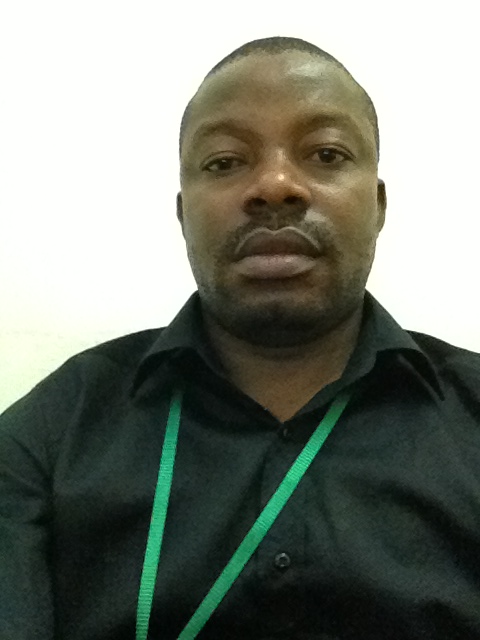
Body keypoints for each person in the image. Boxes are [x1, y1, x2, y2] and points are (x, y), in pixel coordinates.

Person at [1, 35, 479, 640]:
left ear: (378, 206)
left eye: (326, 154)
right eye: (225, 162)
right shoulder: (56, 430)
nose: (275, 185)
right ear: (183, 215)